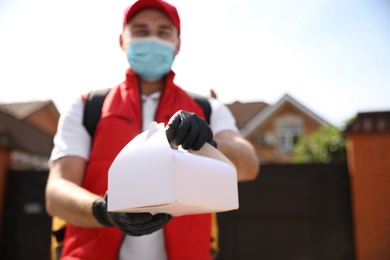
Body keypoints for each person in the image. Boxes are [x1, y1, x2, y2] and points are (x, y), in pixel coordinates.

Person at [45, 0, 259, 259]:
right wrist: (103, 211)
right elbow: (55, 193)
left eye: (163, 32)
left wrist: (208, 144)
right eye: (141, 31)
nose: (153, 39)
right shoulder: (86, 107)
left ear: (177, 43)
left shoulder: (208, 108)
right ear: (122, 41)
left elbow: (249, 165)